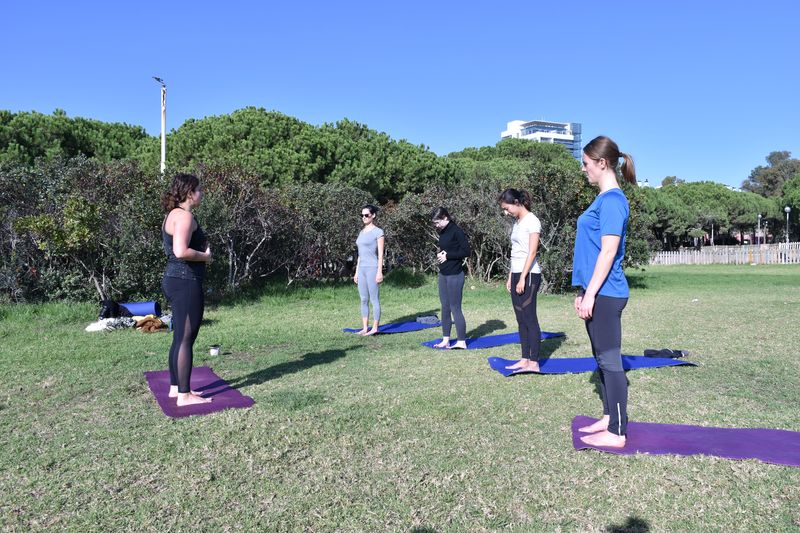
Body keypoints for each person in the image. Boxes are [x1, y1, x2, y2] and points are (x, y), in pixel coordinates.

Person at [572, 135, 636, 448]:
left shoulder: (612, 201)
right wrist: (584, 290)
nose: (583, 169)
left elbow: (608, 252)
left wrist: (592, 294)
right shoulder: (602, 199)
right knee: (601, 359)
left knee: (610, 362)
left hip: (608, 293)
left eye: (585, 164)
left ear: (602, 163)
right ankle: (609, 417)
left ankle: (618, 431)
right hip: (597, 290)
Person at [160, 173, 213, 407]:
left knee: (180, 336)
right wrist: (205, 257)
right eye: (199, 189)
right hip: (185, 281)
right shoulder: (184, 216)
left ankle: (176, 388)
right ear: (190, 193)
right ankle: (184, 395)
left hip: (175, 279)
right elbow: (181, 251)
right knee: (186, 338)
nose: (202, 193)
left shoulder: (172, 214)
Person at [498, 188, 543, 371]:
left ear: (517, 202)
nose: (506, 211)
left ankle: (534, 362)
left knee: (529, 317)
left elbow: (532, 252)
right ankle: (524, 359)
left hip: (530, 274)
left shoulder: (532, 221)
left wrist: (523, 278)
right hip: (517, 273)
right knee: (520, 319)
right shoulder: (517, 222)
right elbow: (515, 253)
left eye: (507, 208)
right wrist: (511, 276)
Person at [431, 207, 471, 349]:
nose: (436, 225)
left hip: (455, 275)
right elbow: (448, 248)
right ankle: (446, 339)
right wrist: (442, 254)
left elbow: (466, 251)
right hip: (443, 274)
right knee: (445, 307)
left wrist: (447, 255)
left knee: (455, 308)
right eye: (434, 223)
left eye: (437, 222)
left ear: (445, 218)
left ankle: (461, 341)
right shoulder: (443, 231)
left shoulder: (457, 231)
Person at [353, 204, 385, 336]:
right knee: (363, 299)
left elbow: (381, 254)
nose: (364, 217)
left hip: (372, 268)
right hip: (362, 269)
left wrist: (379, 271)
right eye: (362, 215)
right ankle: (365, 327)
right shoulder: (361, 232)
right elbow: (360, 254)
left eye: (366, 215)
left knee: (374, 299)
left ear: (373, 216)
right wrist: (356, 271)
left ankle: (375, 327)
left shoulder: (378, 232)